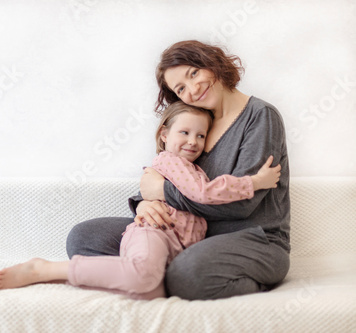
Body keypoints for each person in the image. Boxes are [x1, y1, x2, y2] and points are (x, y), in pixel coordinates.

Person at [66, 40, 291, 301]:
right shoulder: (197, 121)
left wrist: (161, 191)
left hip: (254, 240)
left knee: (186, 275)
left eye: (194, 73)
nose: (193, 89)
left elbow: (241, 206)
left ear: (212, 63)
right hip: (189, 233)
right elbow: (172, 172)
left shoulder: (260, 116)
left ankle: (158, 277)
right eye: (181, 88)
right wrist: (144, 204)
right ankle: (152, 273)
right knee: (84, 238)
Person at [0, 101, 281, 300]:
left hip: (177, 245)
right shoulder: (171, 162)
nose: (193, 141)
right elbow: (204, 194)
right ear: (164, 135)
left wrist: (151, 197)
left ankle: (124, 271)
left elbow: (175, 194)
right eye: (185, 132)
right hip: (155, 232)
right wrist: (254, 182)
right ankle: (45, 270)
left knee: (149, 291)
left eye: (200, 135)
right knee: (141, 276)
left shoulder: (194, 165)